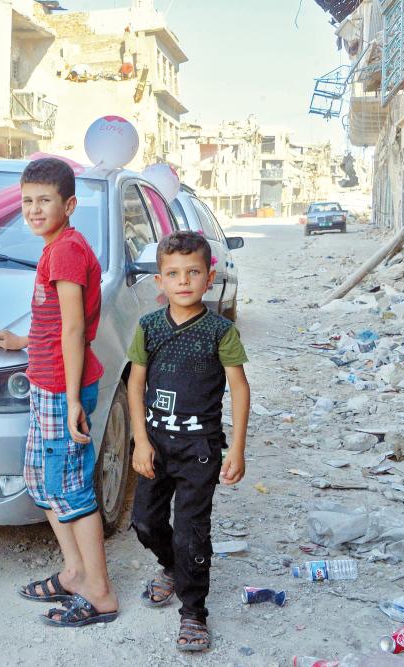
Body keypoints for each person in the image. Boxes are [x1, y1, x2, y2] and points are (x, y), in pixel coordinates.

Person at [0, 157, 117, 628]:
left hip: (64, 391)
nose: (35, 209)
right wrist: (23, 343)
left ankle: (100, 594)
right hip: (49, 384)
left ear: (70, 204)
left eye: (45, 201)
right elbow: (57, 321)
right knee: (44, 483)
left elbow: (74, 328)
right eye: (27, 201)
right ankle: (75, 572)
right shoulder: (56, 247)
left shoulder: (65, 250)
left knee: (72, 491)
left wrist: (71, 404)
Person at [126, 231, 250, 652]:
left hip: (200, 450)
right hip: (156, 447)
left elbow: (239, 388)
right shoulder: (148, 328)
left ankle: (194, 613)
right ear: (160, 280)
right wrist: (140, 442)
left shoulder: (219, 331)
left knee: (192, 533)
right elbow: (136, 385)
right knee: (145, 522)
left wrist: (236, 448)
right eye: (173, 273)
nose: (183, 281)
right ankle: (170, 567)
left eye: (193, 272)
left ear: (208, 276)